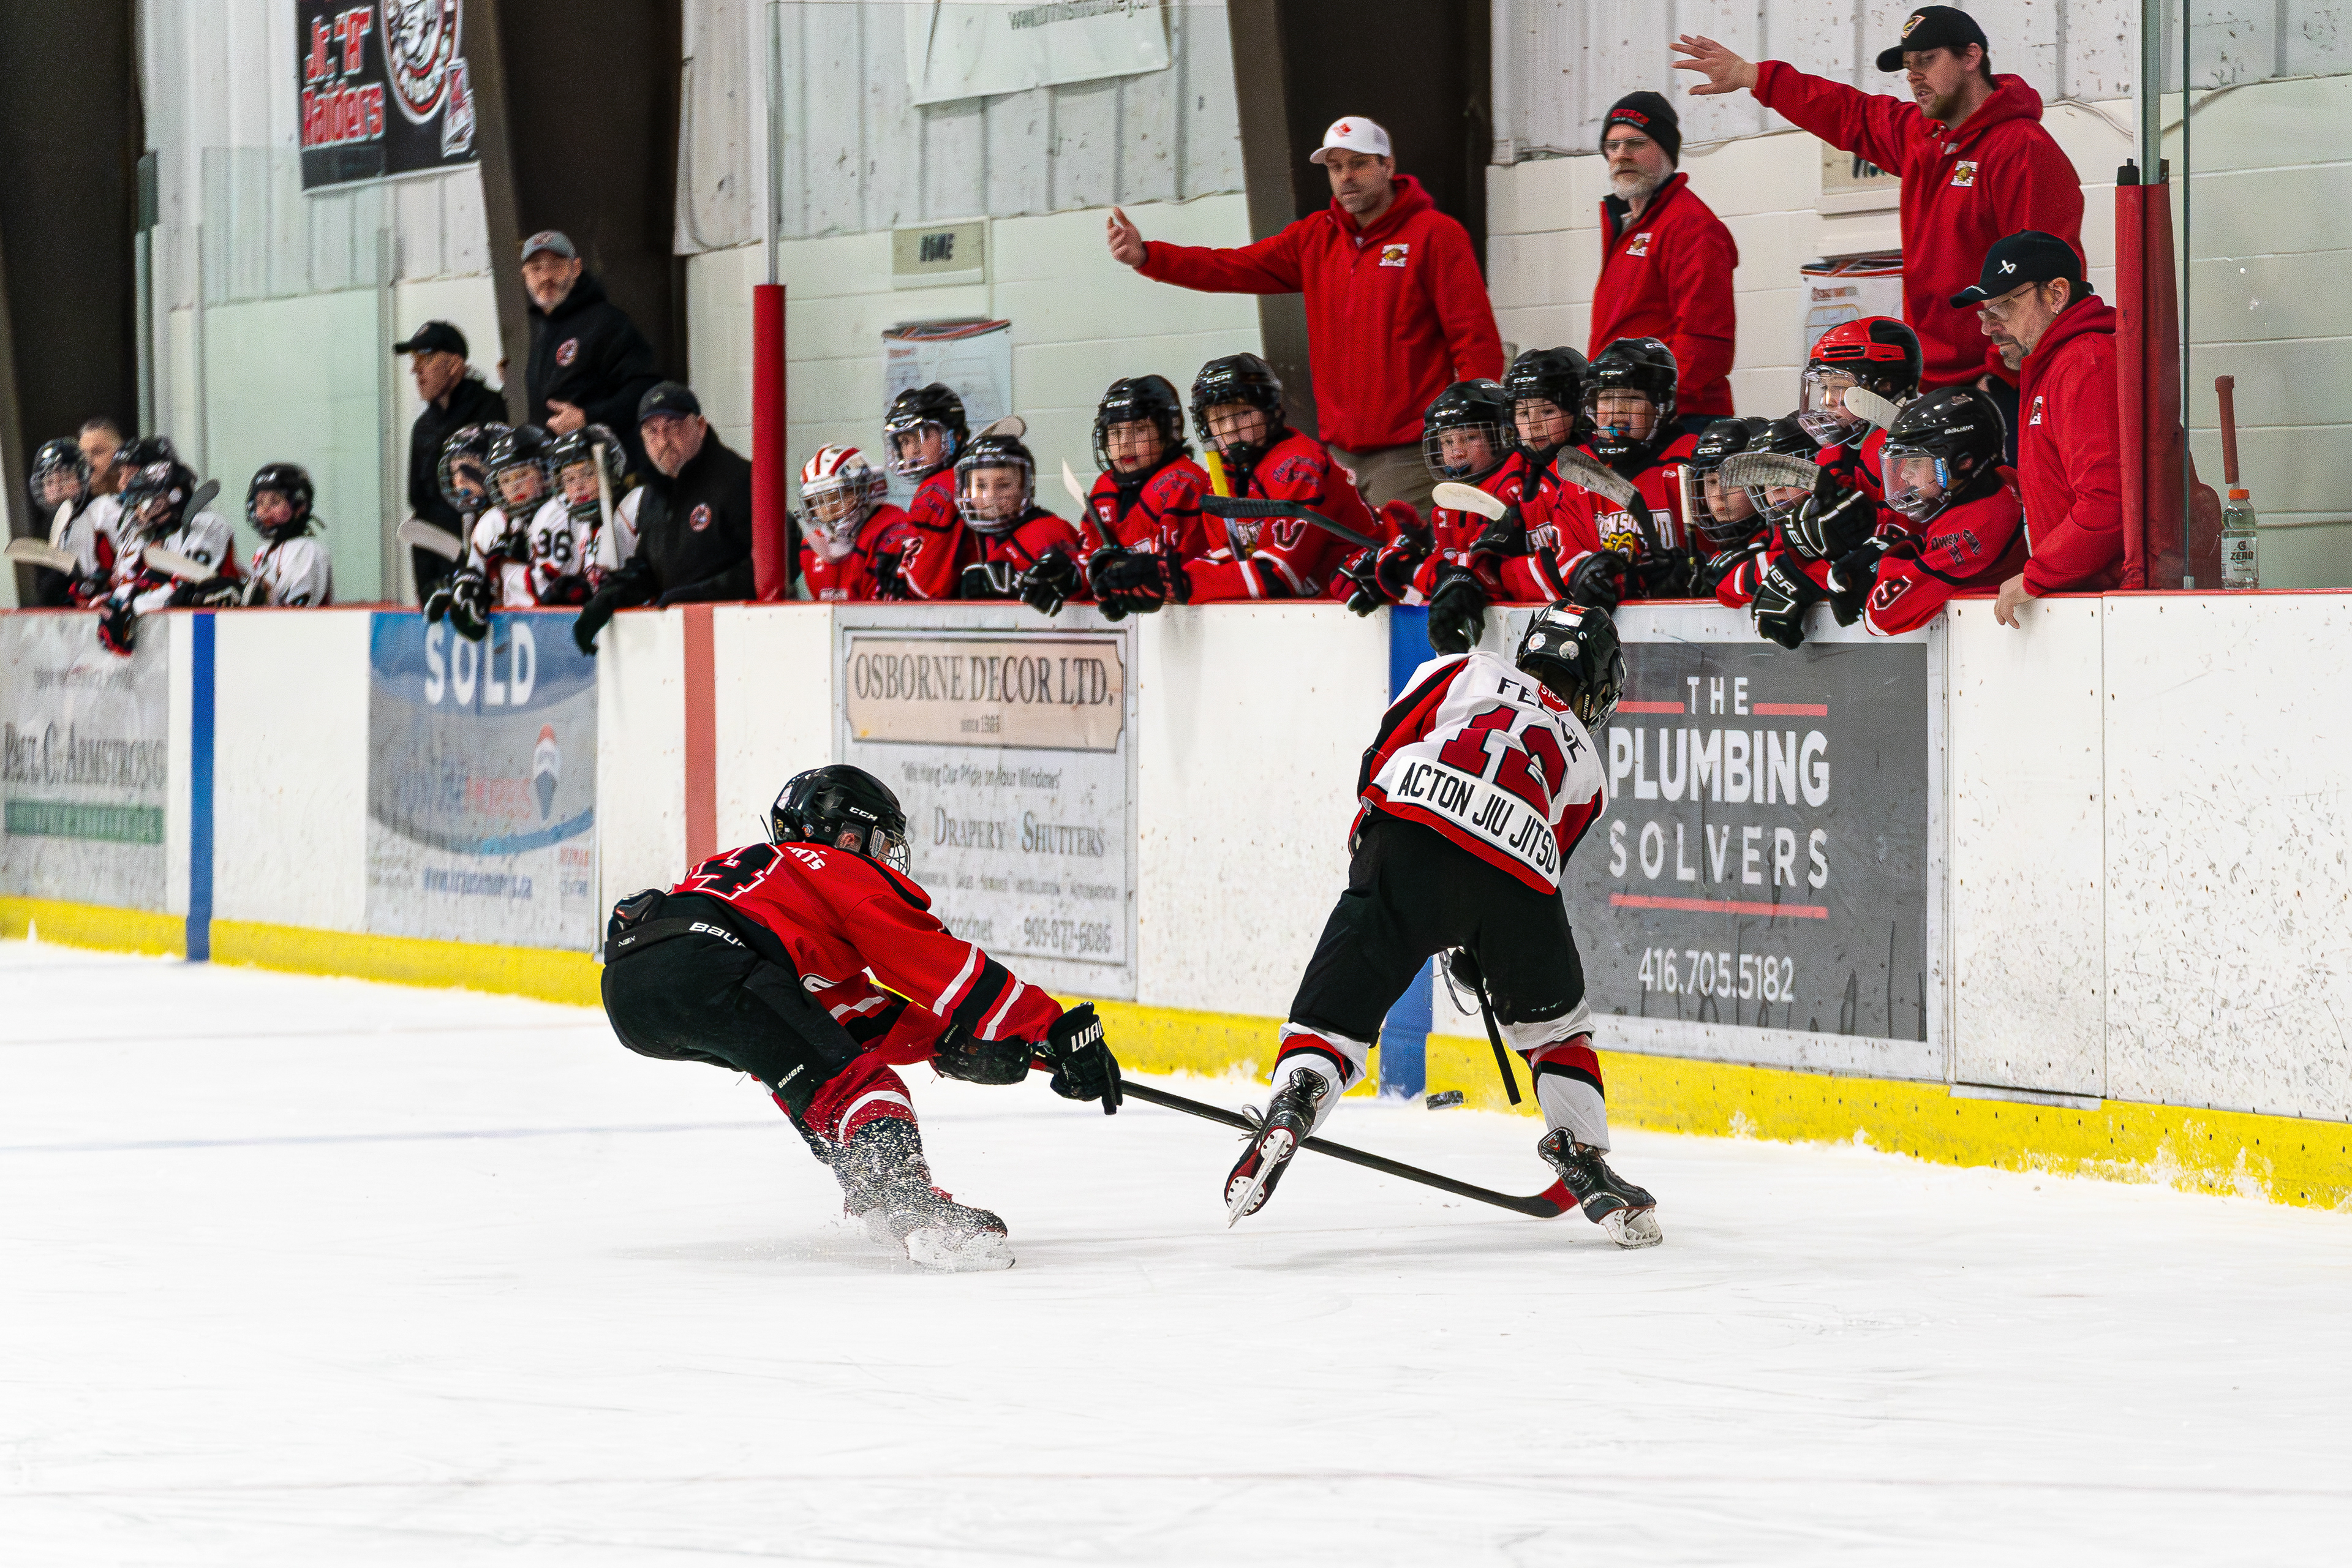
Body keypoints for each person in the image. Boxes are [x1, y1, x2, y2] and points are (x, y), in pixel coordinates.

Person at [1222, 602, 1662, 1248]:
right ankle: (1585, 1156)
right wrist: (1482, 949)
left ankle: (1301, 1091)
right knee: (1557, 1028)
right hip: (1513, 878)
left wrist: (1371, 850)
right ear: (1596, 685)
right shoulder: (1590, 770)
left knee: (1333, 1021)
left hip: (1409, 834)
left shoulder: (1467, 668)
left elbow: (1389, 744)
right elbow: (1542, 867)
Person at [598, 764, 1123, 1272]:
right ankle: (909, 1203)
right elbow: (936, 964)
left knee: (798, 1061)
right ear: (848, 837)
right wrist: (1048, 1027)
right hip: (708, 963)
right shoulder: (832, 869)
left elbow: (848, 1015)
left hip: (632, 987)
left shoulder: (763, 880)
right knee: (859, 1086)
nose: (887, 858)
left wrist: (947, 1044)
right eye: (879, 842)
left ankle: (873, 1191)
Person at [1673, 5, 2084, 417]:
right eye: (1908, 66)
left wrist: (2001, 378)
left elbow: (2046, 277)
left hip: (2002, 388)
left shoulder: (2023, 150)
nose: (1914, 77)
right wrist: (1753, 76)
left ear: (1972, 57)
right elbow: (1845, 110)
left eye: (1927, 60)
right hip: (1933, 384)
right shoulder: (1924, 138)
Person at [1106, 116, 1504, 510]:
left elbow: (1475, 339)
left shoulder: (1436, 235)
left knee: (1401, 568)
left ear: (1388, 165)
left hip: (1410, 454)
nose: (1346, 176)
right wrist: (1150, 257)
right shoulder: (1314, 237)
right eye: (1335, 167)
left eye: (1358, 163)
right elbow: (1232, 266)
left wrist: (1468, 429)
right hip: (1336, 455)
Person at [1093, 353, 1381, 608]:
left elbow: (1280, 577)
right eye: (1219, 420)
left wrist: (1178, 581)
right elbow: (1228, 561)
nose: (1231, 430)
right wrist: (1152, 576)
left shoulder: (1301, 465)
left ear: (1270, 410)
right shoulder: (1221, 477)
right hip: (1319, 611)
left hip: (1371, 600)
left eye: (1242, 414)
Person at [1588, 92, 1739, 430]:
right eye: (1612, 147)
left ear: (1667, 151)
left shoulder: (1690, 227)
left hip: (1676, 419)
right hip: (1628, 412)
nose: (1621, 155)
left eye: (1635, 143)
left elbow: (1704, 340)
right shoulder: (1630, 225)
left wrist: (1655, 405)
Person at [573, 383, 758, 654]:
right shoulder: (653, 496)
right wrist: (606, 600)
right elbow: (649, 566)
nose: (663, 441)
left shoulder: (739, 479)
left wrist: (695, 596)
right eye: (652, 431)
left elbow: (781, 556)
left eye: (674, 427)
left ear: (701, 426)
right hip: (687, 641)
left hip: (743, 639)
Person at [1829, 385, 2027, 635]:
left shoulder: (1975, 531)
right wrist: (1906, 546)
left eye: (1915, 461)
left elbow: (1879, 618)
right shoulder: (2000, 481)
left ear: (1963, 463)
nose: (1903, 474)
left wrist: (1888, 561)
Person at [1335, 378, 1516, 615]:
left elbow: (1481, 578)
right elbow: (1445, 572)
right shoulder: (1447, 503)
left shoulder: (1512, 489)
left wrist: (1408, 570)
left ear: (1503, 436)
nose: (1457, 452)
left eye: (1470, 438)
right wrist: (1390, 561)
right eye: (1448, 442)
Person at [520, 230, 662, 469]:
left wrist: (588, 417)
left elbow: (646, 388)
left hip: (610, 470)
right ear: (525, 276)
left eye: (556, 265)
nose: (546, 276)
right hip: (566, 475)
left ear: (576, 268)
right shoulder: (544, 330)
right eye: (536, 268)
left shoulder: (606, 322)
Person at [1076, 375, 1213, 619]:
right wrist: (1072, 576)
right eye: (1115, 433)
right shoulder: (1104, 488)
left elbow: (1180, 573)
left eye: (1140, 430)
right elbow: (1088, 559)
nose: (1125, 443)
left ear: (1169, 432)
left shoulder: (1183, 483)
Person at [396, 320, 509, 599]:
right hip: (431, 553)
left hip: (482, 548)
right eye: (414, 360)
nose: (415, 370)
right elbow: (417, 497)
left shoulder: (492, 408)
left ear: (455, 363)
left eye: (425, 358)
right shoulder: (422, 426)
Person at [93, 444, 243, 656]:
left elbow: (187, 586)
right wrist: (113, 599)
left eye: (150, 503)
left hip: (220, 639)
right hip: (177, 639)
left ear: (175, 497)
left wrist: (133, 605)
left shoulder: (207, 524)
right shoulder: (153, 537)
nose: (142, 512)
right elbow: (137, 584)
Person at [940, 431, 1085, 605]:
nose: (991, 496)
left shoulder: (1046, 531)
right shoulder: (964, 538)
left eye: (1004, 485)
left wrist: (1022, 584)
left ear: (1025, 487)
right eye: (980, 485)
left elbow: (1080, 582)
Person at [1797, 316, 1923, 501]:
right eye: (1825, 387)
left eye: (1839, 387)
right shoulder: (1835, 451)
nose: (1826, 402)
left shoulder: (1899, 455)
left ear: (1886, 386)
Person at [872, 383, 970, 601]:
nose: (913, 450)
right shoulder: (961, 477)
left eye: (922, 436)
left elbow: (926, 590)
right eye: (905, 441)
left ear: (953, 435)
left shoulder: (939, 489)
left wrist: (899, 577)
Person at [798, 445, 905, 602]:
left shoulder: (889, 529)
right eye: (818, 501)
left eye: (836, 496)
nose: (828, 509)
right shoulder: (810, 549)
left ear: (865, 490)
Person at [535, 426, 625, 605]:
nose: (578, 486)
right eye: (570, 479)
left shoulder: (628, 511)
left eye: (588, 474)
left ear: (611, 471)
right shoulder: (580, 525)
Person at [240, 463, 334, 607]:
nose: (265, 509)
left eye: (275, 501)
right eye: (260, 502)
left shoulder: (307, 550)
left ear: (299, 506)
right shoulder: (263, 552)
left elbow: (291, 613)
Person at [24, 440, 95, 606]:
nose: (57, 487)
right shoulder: (44, 527)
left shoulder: (96, 514)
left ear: (82, 479)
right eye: (49, 482)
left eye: (66, 478)